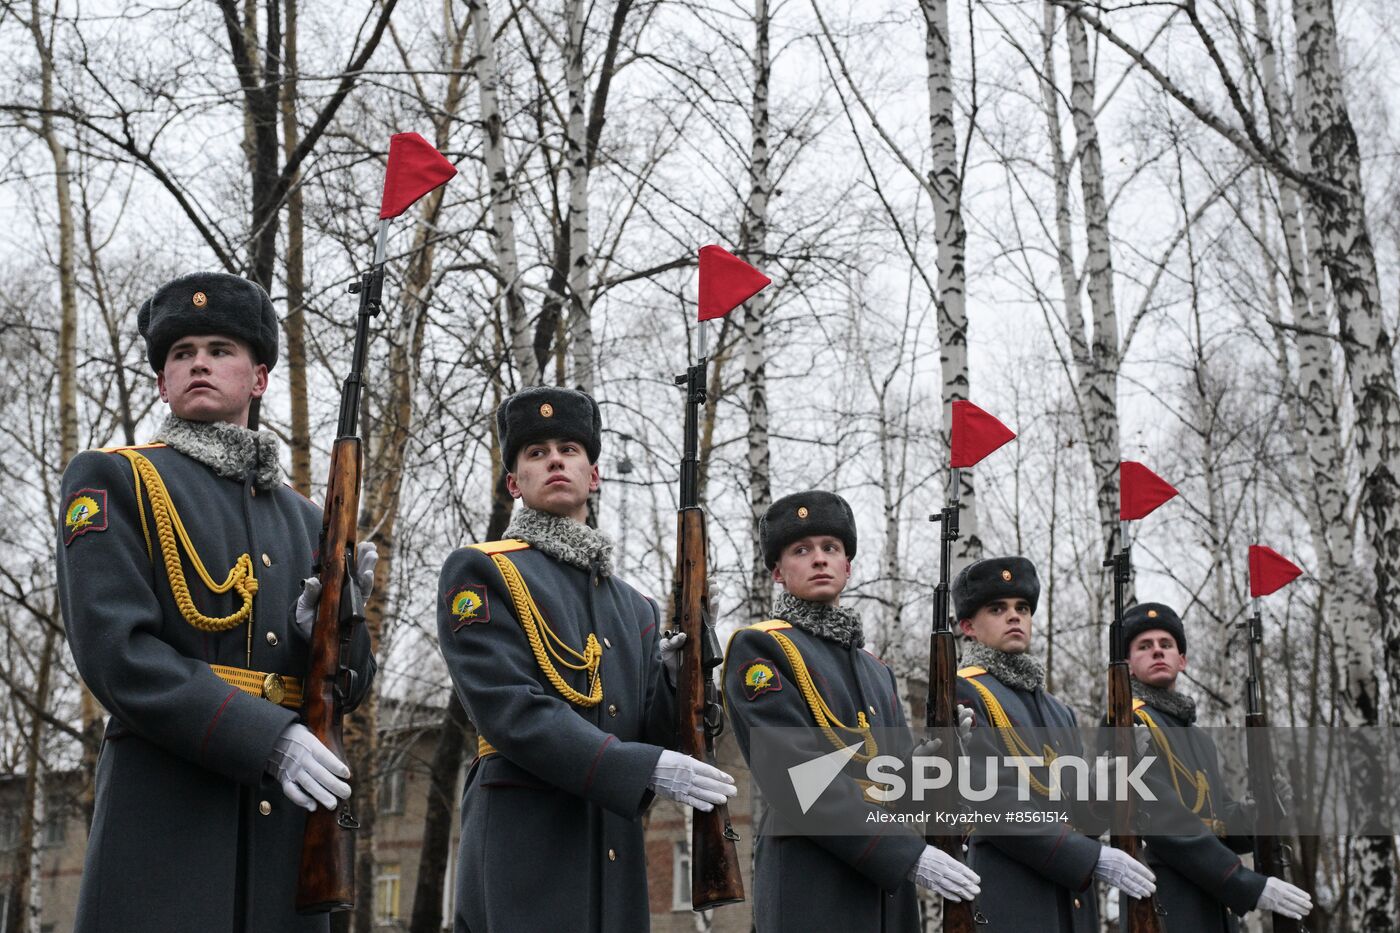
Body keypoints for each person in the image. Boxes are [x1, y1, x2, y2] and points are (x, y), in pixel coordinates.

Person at [56, 272, 376, 932]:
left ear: (258, 378)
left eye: (220, 348)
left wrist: (338, 627)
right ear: (161, 382)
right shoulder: (118, 478)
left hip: (285, 839)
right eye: (181, 352)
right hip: (166, 828)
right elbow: (119, 655)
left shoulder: (306, 517)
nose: (199, 361)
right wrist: (266, 737)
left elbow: (345, 685)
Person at [437, 386, 736, 933]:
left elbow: (652, 735)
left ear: (593, 476)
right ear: (514, 484)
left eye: (570, 449)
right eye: (535, 452)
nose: (554, 458)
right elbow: (510, 712)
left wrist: (679, 684)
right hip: (524, 850)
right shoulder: (483, 571)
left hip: (613, 853)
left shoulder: (636, 608)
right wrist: (640, 766)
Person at [723, 490, 980, 931]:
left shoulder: (876, 670)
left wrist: (933, 766)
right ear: (778, 573)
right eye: (801, 550)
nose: (819, 559)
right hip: (813, 891)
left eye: (831, 549)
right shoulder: (762, 647)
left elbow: (890, 790)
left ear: (848, 566)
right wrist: (905, 854)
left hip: (884, 899)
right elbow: (798, 780)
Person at [953, 556, 1155, 932]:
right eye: (997, 609)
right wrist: (1090, 858)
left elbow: (1080, 817)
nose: (1014, 617)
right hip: (1013, 898)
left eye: (1022, 608)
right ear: (968, 626)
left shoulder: (1058, 711)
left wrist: (1105, 785)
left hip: (1072, 905)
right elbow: (992, 803)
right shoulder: (965, 691)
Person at [1120, 602, 1312, 930]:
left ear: (1182, 660)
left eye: (1166, 645)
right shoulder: (1128, 724)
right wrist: (1243, 883)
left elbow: (1217, 820)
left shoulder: (1198, 738)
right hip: (1165, 906)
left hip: (1213, 908)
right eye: (1144, 646)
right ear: (1128, 665)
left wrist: (1257, 813)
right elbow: (1164, 821)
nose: (1157, 652)